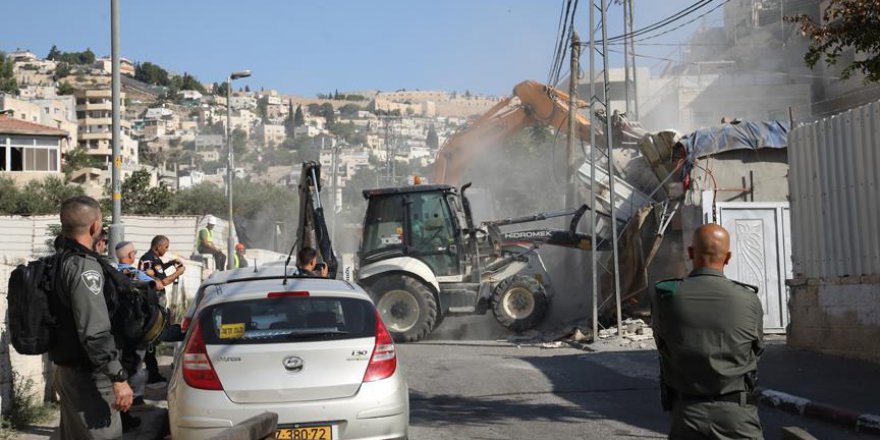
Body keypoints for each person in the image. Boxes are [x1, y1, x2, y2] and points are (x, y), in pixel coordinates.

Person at [652, 224, 764, 439]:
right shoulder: (748, 298)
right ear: (728, 257)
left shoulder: (666, 296)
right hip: (738, 416)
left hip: (686, 414)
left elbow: (662, 342)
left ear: (691, 253)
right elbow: (757, 349)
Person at [51, 196, 133, 439]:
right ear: (95, 226)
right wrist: (118, 378)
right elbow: (94, 330)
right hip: (91, 376)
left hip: (67, 371)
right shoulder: (84, 267)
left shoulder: (58, 261)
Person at [139, 235, 186, 386]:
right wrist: (178, 273)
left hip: (156, 305)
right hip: (152, 306)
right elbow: (162, 281)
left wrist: (170, 263)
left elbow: (159, 273)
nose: (166, 250)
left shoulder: (154, 259)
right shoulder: (148, 259)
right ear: (158, 246)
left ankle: (154, 374)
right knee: (153, 338)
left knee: (156, 337)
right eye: (165, 247)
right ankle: (153, 375)